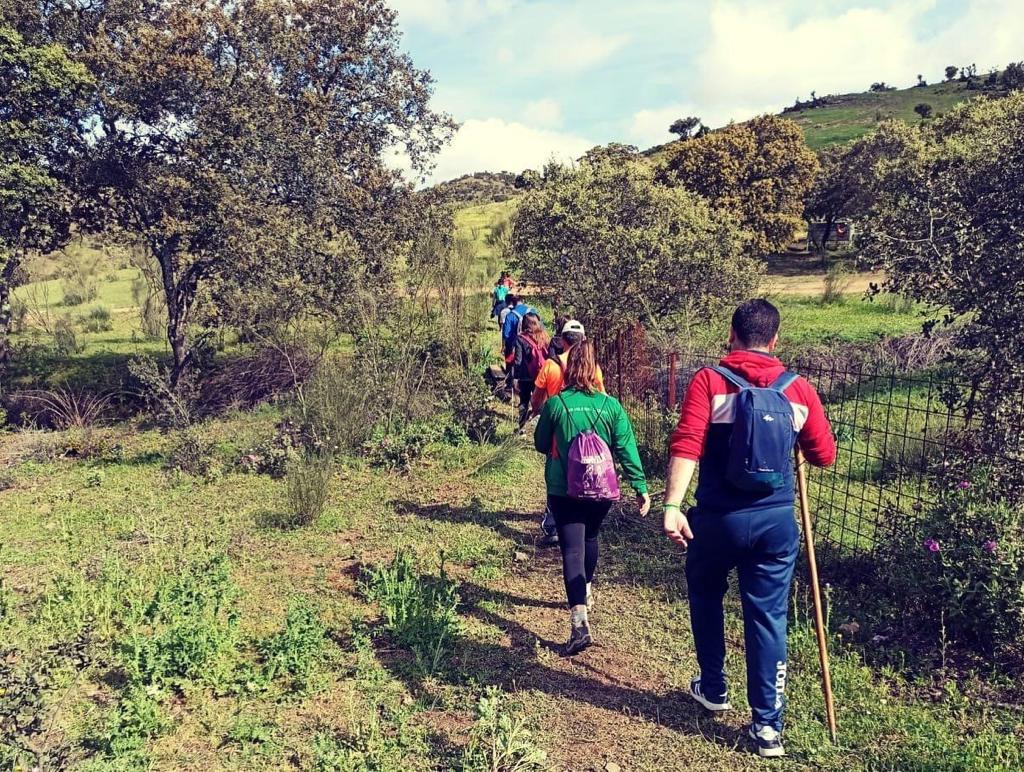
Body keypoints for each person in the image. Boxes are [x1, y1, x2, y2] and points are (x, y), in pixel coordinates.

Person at [662, 299, 836, 759]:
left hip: (717, 520)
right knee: (767, 616)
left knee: (705, 594)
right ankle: (767, 726)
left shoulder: (710, 381)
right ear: (775, 340)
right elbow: (825, 455)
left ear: (732, 335)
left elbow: (687, 445)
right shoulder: (799, 391)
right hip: (776, 523)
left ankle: (714, 688)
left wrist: (674, 504)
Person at [534, 340, 651, 655]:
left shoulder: (556, 405)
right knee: (591, 539)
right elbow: (626, 448)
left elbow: (540, 443)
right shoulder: (611, 406)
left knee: (571, 550)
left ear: (570, 367)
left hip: (563, 489)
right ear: (596, 368)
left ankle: (579, 622)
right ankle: (585, 588)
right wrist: (640, 487)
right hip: (602, 491)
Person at [512, 313, 550, 426]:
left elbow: (518, 360)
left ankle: (522, 427)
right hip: (540, 374)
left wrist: (515, 377)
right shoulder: (544, 336)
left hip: (525, 375)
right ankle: (541, 425)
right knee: (541, 400)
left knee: (524, 400)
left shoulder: (520, 338)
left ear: (524, 323)